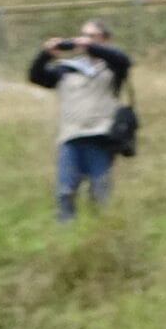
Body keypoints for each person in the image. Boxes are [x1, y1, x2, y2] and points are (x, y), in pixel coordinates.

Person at [26, 19, 131, 222]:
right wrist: (46, 54)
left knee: (100, 193)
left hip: (100, 138)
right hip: (71, 138)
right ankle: (66, 233)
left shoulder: (112, 67)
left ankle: (101, 230)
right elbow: (35, 76)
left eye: (92, 36)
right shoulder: (67, 69)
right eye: (84, 36)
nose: (85, 40)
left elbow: (124, 61)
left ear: (105, 40)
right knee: (65, 192)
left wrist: (92, 47)